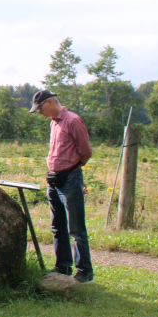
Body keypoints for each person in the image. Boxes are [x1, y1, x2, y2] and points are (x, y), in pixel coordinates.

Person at [30, 90, 94, 283]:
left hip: (70, 179)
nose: (40, 113)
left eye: (40, 108)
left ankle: (85, 272)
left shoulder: (73, 120)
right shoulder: (54, 122)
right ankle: (63, 266)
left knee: (75, 228)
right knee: (57, 226)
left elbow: (86, 152)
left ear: (50, 102)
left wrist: (72, 171)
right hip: (54, 179)